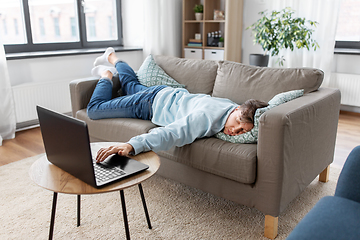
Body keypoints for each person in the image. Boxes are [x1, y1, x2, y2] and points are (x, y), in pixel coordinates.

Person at [88, 48, 268, 163]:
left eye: (242, 131)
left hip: (164, 94)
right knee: (95, 109)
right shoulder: (207, 118)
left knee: (129, 85)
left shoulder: (231, 105)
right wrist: (133, 144)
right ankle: (107, 75)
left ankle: (113, 57)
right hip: (150, 104)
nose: (234, 131)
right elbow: (173, 133)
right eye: (237, 122)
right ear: (237, 110)